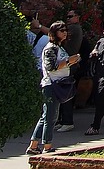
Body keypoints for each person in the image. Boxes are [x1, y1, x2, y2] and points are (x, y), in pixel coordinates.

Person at [28, 21, 79, 154]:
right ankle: (47, 146)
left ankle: (33, 146)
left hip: (56, 84)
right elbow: (51, 67)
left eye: (65, 30)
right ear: (54, 33)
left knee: (46, 116)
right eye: (61, 30)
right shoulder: (51, 47)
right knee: (51, 117)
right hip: (51, 85)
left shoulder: (59, 47)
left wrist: (72, 61)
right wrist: (69, 61)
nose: (64, 32)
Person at [56, 9, 85, 131]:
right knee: (62, 94)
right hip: (68, 65)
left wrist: (40, 26)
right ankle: (62, 120)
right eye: (67, 17)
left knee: (66, 93)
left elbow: (55, 33)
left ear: (77, 17)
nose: (68, 19)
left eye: (70, 16)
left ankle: (67, 121)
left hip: (69, 66)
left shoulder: (74, 28)